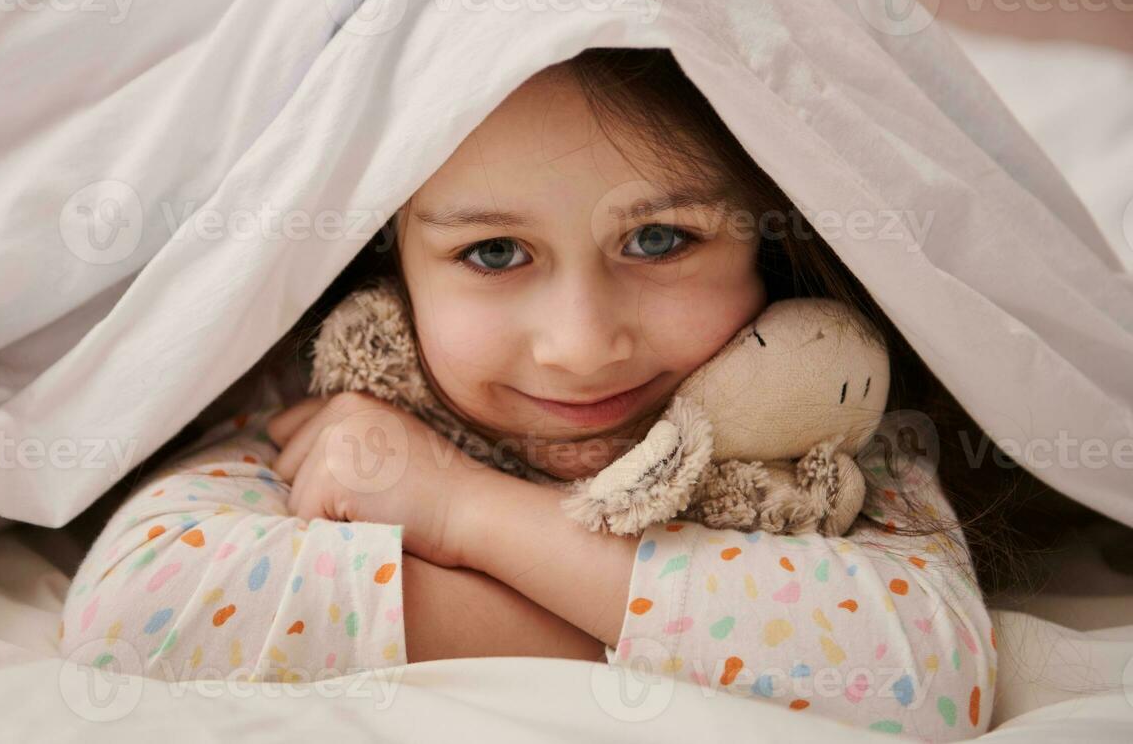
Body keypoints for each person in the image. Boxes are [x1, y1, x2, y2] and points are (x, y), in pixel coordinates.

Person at [60, 47, 1020, 739]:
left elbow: (929, 670)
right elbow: (137, 610)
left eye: (659, 240)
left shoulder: (824, 417)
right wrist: (678, 625)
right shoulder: (350, 400)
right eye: (492, 253)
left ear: (768, 243)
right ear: (392, 268)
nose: (580, 346)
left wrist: (463, 509)